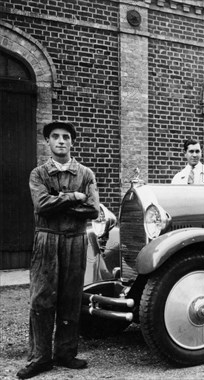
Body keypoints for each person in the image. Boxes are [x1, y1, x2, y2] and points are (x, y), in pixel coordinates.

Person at [18, 122, 99, 379]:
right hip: (47, 240)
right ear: (48, 142)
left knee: (71, 297)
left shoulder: (85, 173)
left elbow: (93, 209)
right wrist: (74, 197)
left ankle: (65, 353)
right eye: (55, 137)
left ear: (72, 142)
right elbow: (41, 205)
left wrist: (59, 203)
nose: (61, 141)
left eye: (66, 137)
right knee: (42, 298)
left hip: (75, 240)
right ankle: (40, 358)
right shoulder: (38, 174)